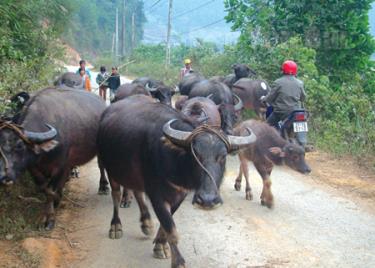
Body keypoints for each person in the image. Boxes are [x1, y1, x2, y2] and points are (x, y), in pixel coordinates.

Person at [261, 60, 306, 128]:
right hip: (295, 112)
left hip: (280, 112)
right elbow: (303, 98)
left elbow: (270, 97)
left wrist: (263, 99)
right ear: (295, 71)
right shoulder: (300, 83)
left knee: (265, 127)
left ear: (283, 70)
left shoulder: (278, 82)